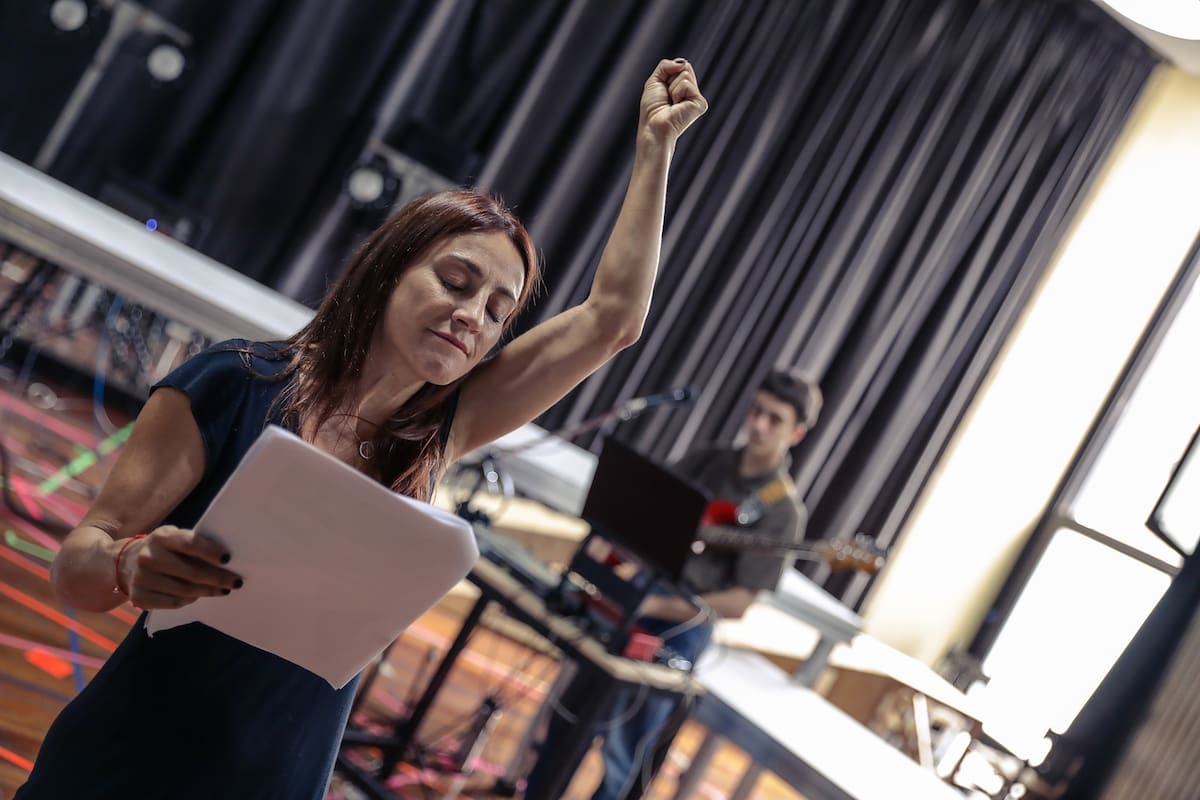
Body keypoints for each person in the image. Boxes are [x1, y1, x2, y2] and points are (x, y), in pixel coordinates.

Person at [16, 58, 707, 800]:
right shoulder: (233, 384)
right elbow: (77, 566)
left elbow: (613, 321)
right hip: (127, 762)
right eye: (456, 282)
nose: (472, 317)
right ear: (388, 270)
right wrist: (128, 563)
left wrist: (655, 149)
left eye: (497, 312)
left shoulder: (439, 433)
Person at [525, 368, 822, 800]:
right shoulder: (709, 461)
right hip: (637, 594)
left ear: (796, 433)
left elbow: (738, 603)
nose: (758, 425)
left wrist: (654, 607)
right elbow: (645, 512)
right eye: (756, 410)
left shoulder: (784, 513)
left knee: (621, 754)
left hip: (683, 628)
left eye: (774, 419)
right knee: (571, 719)